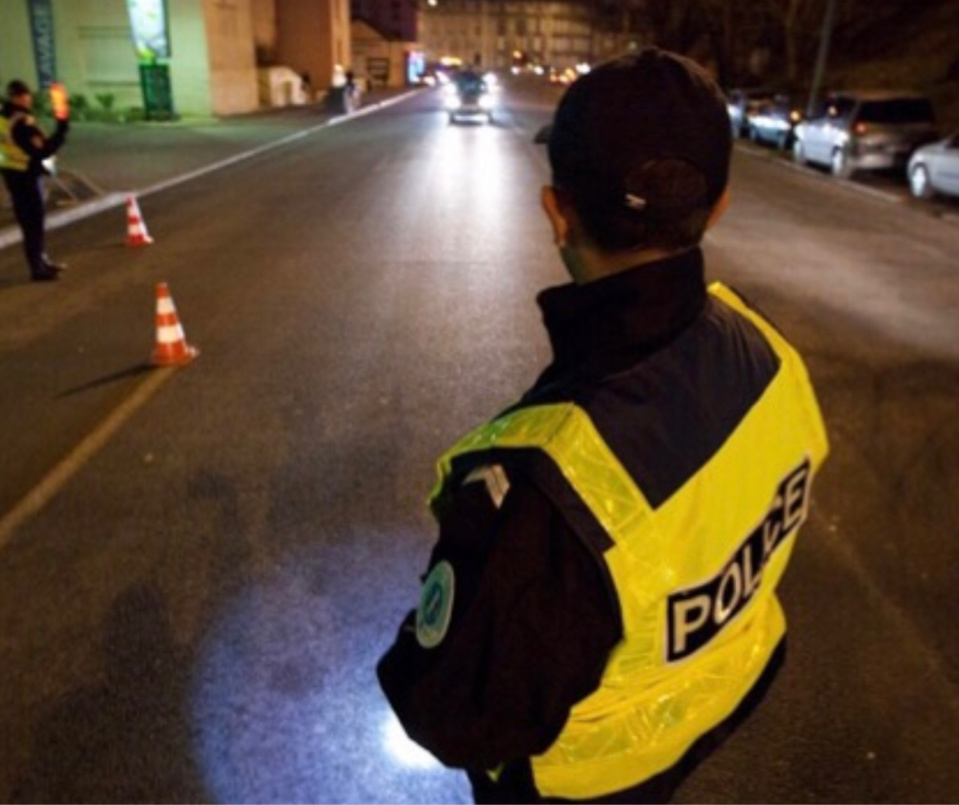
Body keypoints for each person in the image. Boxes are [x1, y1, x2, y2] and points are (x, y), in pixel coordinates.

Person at [377, 48, 829, 803]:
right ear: (716, 206)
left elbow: (453, 713)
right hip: (702, 720)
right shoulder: (766, 351)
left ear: (557, 213)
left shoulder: (545, 492)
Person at [1, 79, 70, 282]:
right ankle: (37, 268)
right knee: (33, 223)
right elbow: (43, 150)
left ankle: (41, 261)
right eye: (25, 95)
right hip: (26, 175)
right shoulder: (22, 121)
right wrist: (62, 129)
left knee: (29, 222)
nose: (27, 99)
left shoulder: (3, 117)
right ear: (19, 97)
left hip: (11, 173)